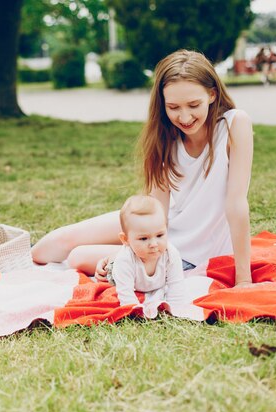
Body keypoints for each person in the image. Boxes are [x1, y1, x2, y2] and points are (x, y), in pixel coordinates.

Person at [31, 49, 255, 288]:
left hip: (190, 250)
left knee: (78, 256)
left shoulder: (235, 124)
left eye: (193, 104)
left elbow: (236, 204)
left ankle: (129, 259)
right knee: (52, 245)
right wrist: (137, 241)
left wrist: (244, 279)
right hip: (161, 229)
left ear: (212, 95)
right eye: (173, 107)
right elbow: (157, 210)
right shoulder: (165, 137)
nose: (185, 116)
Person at [107, 195, 185, 308]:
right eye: (144, 238)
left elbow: (176, 284)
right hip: (117, 271)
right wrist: (135, 310)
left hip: (148, 282)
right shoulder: (124, 260)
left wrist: (175, 307)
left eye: (159, 235)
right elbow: (126, 296)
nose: (153, 244)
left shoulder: (170, 253)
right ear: (125, 239)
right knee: (78, 258)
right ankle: (107, 260)